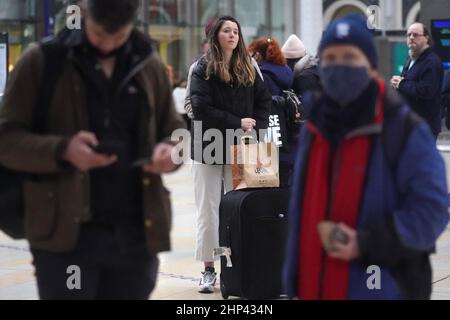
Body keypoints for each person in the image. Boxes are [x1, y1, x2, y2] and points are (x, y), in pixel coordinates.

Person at [0, 0, 186, 300]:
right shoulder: (42, 62)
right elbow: (6, 139)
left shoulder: (147, 63)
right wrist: (62, 150)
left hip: (136, 236)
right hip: (66, 237)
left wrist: (170, 150)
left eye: (119, 36)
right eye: (100, 35)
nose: (108, 44)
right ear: (85, 14)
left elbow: (175, 128)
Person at [283, 14, 449, 300]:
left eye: (350, 56)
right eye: (331, 57)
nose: (339, 66)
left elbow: (432, 211)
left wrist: (366, 242)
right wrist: (292, 278)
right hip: (319, 285)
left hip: (382, 287)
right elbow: (302, 206)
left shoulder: (405, 130)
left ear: (370, 67)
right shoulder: (315, 127)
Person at [190, 16, 271, 293]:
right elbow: (200, 109)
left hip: (240, 149)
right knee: (208, 212)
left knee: (239, 209)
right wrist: (239, 122)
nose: (233, 35)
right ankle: (209, 270)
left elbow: (264, 102)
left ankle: (237, 269)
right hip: (208, 149)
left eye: (236, 30)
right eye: (227, 31)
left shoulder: (249, 66)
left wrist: (256, 128)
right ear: (216, 36)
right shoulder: (202, 69)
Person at [248, 37, 295, 187]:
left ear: (258, 54)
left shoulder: (262, 73)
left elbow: (262, 100)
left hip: (268, 126)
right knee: (284, 177)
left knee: (266, 178)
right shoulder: (287, 71)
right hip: (285, 129)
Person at [390, 22, 444, 139]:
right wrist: (397, 83)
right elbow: (407, 83)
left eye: (415, 35)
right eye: (408, 35)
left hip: (425, 126)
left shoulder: (432, 62)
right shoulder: (411, 57)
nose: (411, 38)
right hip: (409, 123)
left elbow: (426, 91)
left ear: (426, 38)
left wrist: (402, 83)